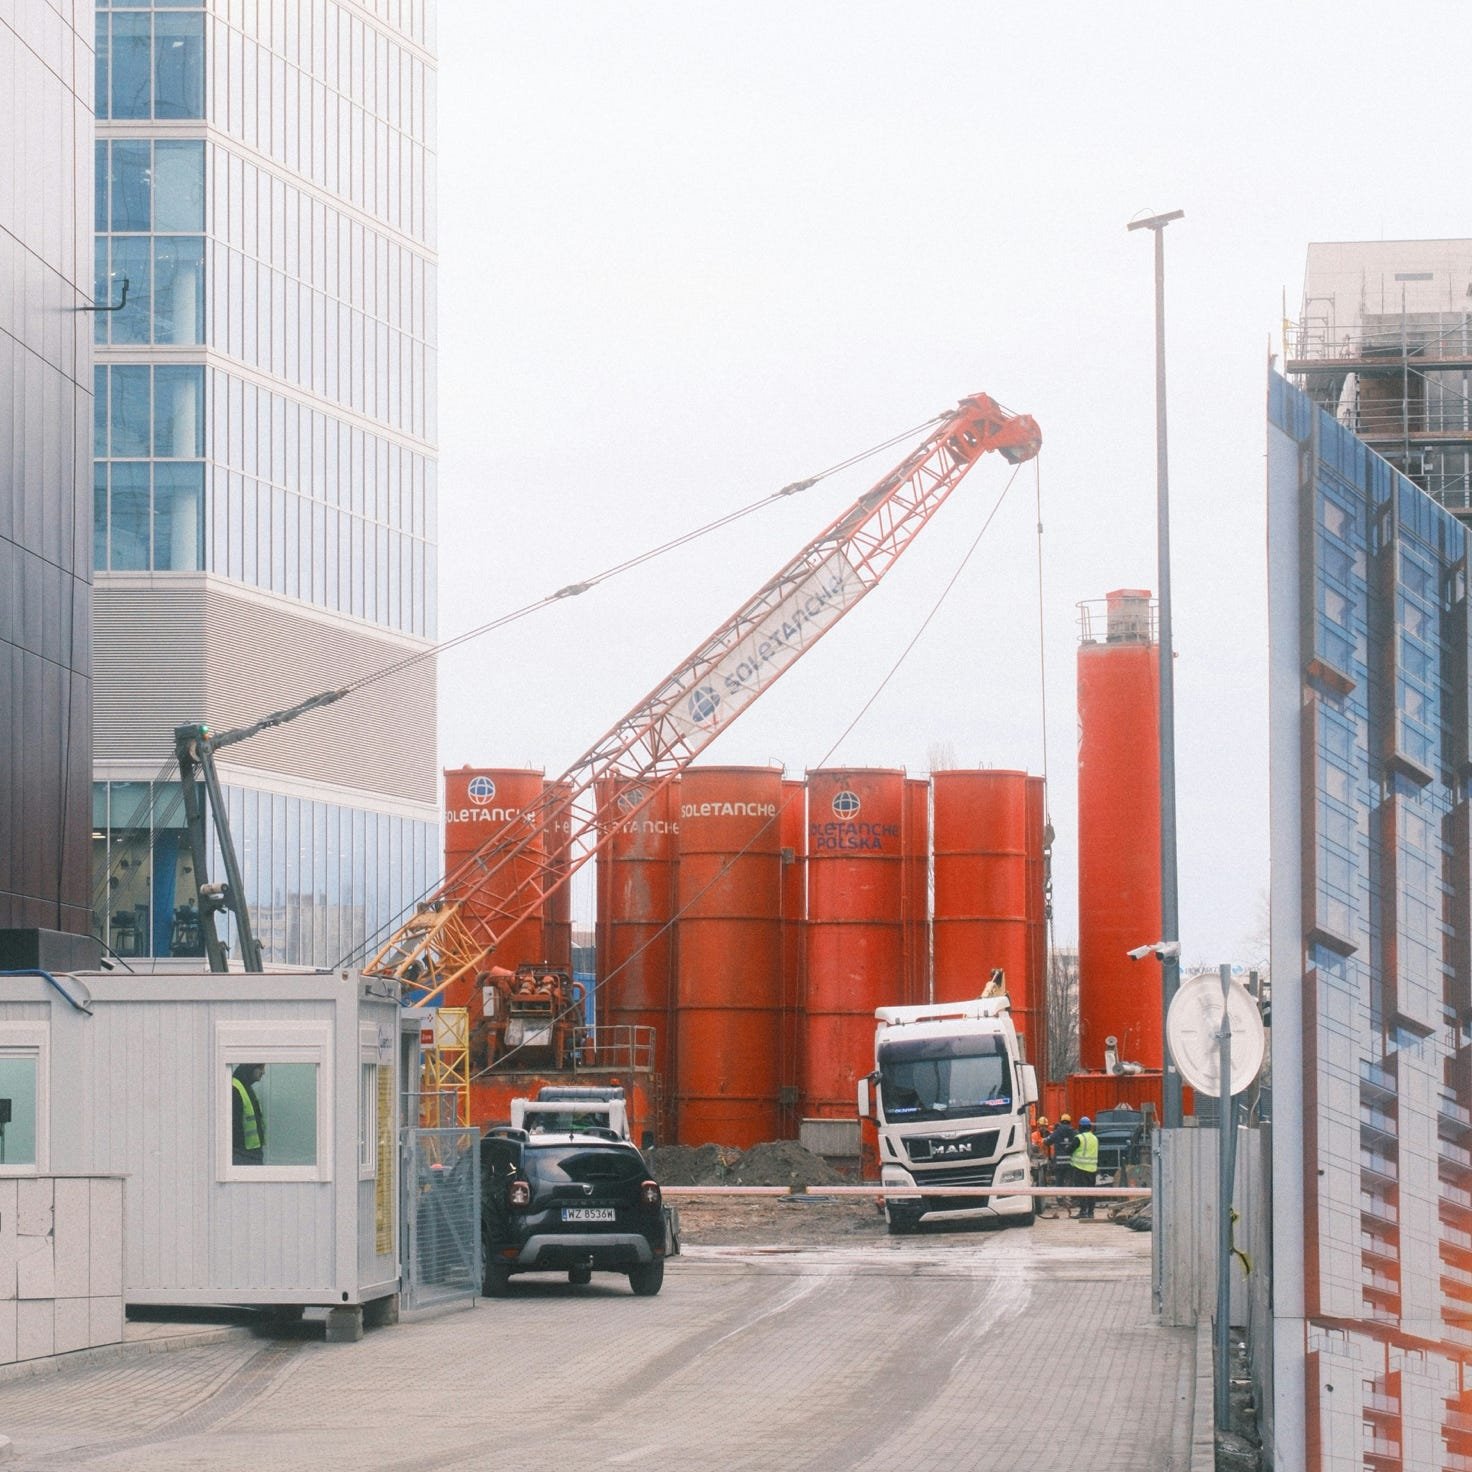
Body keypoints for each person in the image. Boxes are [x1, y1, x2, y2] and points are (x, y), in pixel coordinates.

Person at [231, 1062, 266, 1165]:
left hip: (249, 1153)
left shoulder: (244, 1086)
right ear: (251, 1067)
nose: (263, 1072)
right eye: (261, 1068)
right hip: (242, 1154)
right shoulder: (235, 1089)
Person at [1071, 1115, 1100, 1219]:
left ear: (1080, 1127)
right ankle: (1091, 1213)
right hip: (1092, 1169)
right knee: (1091, 1191)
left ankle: (1083, 1211)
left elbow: (1069, 1150)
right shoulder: (1095, 1138)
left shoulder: (1079, 1138)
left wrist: (1066, 1147)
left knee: (1082, 1191)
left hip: (1080, 1168)